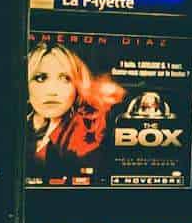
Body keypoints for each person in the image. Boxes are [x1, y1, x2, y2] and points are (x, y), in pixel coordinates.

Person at [26, 42, 122, 181]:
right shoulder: (13, 129)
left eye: (65, 79)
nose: (52, 91)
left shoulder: (89, 133)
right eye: (41, 78)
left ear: (77, 86)